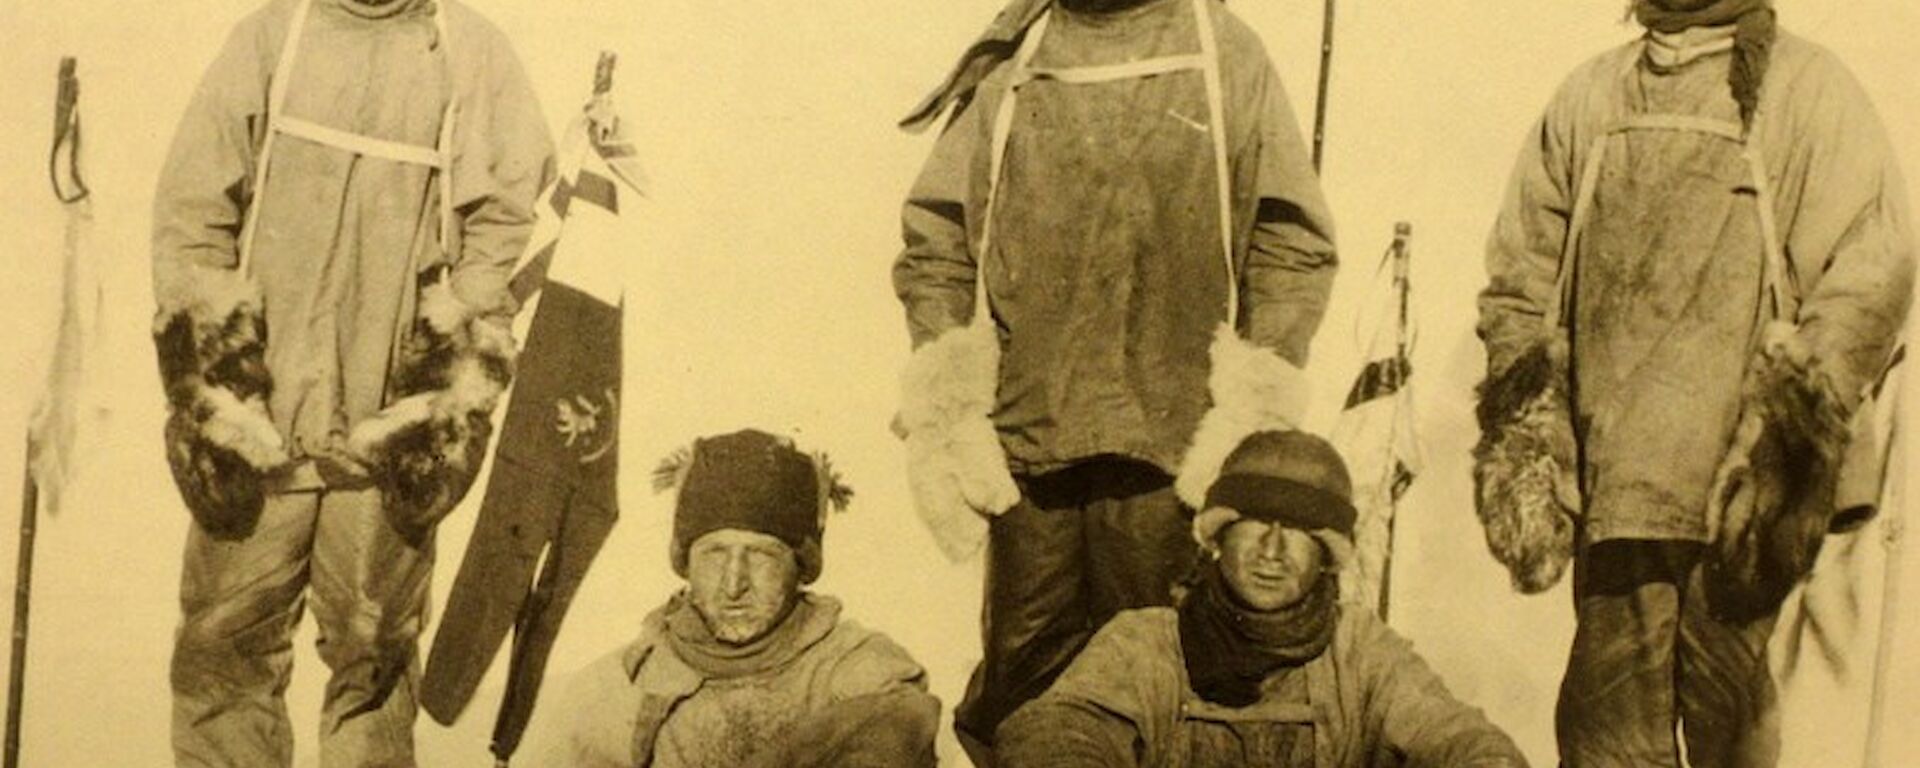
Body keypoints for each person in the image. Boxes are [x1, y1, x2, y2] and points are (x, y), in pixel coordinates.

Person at [892, 0, 1337, 759]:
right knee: (1024, 689)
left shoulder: (1223, 50)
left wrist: (1252, 396)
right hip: (1030, 448)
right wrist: (949, 389)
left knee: (1163, 681)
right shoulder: (1016, 56)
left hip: (1170, 452)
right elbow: (937, 236)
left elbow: (1290, 239)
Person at [1474, 1, 1914, 766]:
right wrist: (1534, 430)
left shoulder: (1807, 89)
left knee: (1729, 725)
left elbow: (1870, 270)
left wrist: (1790, 427)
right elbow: (1521, 278)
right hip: (1615, 489)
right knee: (1605, 734)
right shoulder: (1594, 95)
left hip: (1741, 504)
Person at [149, 0, 553, 764]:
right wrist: (220, 391)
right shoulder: (277, 35)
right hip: (262, 428)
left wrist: (441, 382)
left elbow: (504, 222)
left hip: (383, 438)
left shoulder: (468, 50)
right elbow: (192, 211)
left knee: (373, 660)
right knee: (223, 653)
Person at [996, 430, 1528, 767]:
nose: (1273, 550)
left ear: (1326, 555)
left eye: (1297, 530)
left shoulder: (1360, 652)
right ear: (1218, 537)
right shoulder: (1147, 642)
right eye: (1254, 524)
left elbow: (1453, 733)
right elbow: (1057, 729)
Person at [521, 429, 941, 768]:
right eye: (714, 554)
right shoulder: (615, 690)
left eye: (760, 554)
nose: (734, 582)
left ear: (800, 565)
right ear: (685, 562)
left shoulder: (861, 674)